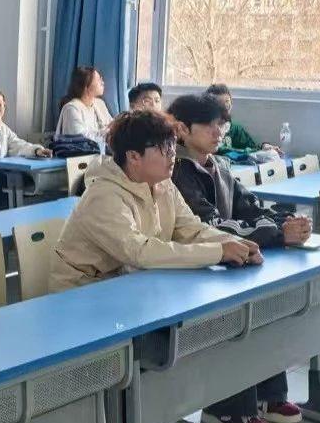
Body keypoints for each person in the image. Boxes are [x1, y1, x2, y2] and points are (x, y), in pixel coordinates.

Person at [169, 93, 308, 423]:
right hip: (195, 269)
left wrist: (285, 223)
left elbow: (250, 206)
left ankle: (268, 395)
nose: (219, 132)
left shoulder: (219, 165)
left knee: (268, 305)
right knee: (237, 315)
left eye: (221, 124)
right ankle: (226, 406)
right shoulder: (178, 171)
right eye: (209, 125)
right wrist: (277, 234)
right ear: (183, 129)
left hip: (231, 259)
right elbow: (211, 225)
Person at [50, 109, 254, 294]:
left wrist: (233, 243)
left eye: (172, 143)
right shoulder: (103, 195)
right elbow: (140, 252)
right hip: (81, 293)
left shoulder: (162, 184)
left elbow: (191, 229)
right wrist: (218, 252)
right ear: (133, 156)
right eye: (163, 147)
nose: (172, 153)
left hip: (129, 283)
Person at [204, 83, 281, 156]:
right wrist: (256, 151)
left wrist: (264, 147)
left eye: (227, 101)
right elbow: (221, 150)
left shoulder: (235, 128)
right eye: (220, 103)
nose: (226, 106)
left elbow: (252, 147)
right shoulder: (206, 129)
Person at [54, 66, 113, 145]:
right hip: (80, 151)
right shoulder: (71, 109)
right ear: (86, 87)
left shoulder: (100, 103)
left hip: (101, 150)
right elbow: (80, 139)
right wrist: (107, 131)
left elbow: (112, 127)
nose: (103, 83)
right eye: (99, 80)